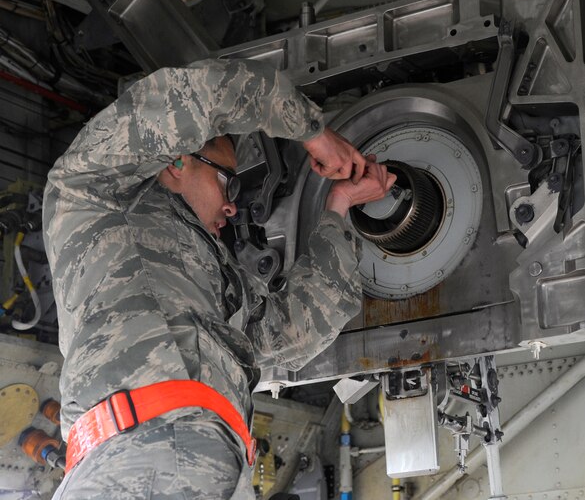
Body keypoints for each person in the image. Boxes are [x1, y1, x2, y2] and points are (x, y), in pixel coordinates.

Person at [42, 59, 396, 499]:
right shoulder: (91, 194)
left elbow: (296, 329)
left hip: (203, 462)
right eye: (228, 184)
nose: (232, 207)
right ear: (177, 161)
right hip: (141, 454)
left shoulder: (215, 284)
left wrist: (339, 206)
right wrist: (313, 132)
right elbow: (191, 96)